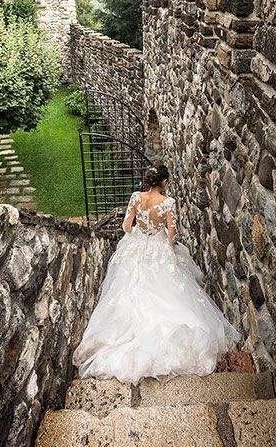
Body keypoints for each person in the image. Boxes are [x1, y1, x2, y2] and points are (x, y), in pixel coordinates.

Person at [72, 165, 241, 384]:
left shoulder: (135, 197)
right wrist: (168, 243)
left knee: (127, 289)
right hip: (159, 249)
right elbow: (171, 233)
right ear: (164, 182)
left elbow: (126, 226)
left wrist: (137, 237)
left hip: (137, 245)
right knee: (168, 290)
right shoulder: (168, 203)